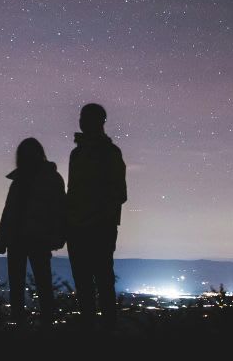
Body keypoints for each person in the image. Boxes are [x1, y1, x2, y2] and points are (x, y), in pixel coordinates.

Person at [0, 137, 66, 327]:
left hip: (33, 238)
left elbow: (59, 209)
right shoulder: (43, 179)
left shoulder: (39, 179)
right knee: (35, 284)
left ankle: (35, 324)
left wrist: (1, 239)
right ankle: (34, 324)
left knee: (34, 284)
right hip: (26, 238)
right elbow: (9, 211)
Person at [66, 103, 127, 331]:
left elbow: (119, 193)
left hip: (99, 227)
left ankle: (105, 332)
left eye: (87, 118)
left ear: (100, 121)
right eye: (81, 117)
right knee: (85, 282)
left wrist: (93, 213)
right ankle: (90, 330)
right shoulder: (78, 153)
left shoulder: (109, 153)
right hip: (80, 227)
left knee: (102, 280)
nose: (82, 121)